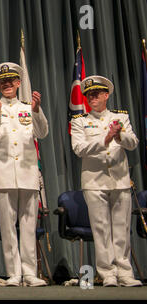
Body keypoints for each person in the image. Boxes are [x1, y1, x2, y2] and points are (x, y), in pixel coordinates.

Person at [71, 75, 142, 287]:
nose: (92, 97)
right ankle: (107, 273)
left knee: (121, 228)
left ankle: (125, 272)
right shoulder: (80, 121)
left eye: (96, 93)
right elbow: (79, 149)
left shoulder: (120, 117)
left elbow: (133, 143)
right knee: (101, 229)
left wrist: (119, 135)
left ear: (106, 95)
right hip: (94, 181)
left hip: (120, 180)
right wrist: (105, 139)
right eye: (88, 94)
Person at [0, 62, 49, 286]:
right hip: (3, 174)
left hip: (28, 173)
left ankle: (30, 273)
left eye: (11, 81)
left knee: (29, 225)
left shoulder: (29, 107)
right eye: (3, 82)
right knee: (8, 227)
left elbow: (42, 133)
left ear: (19, 83)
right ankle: (14, 274)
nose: (7, 84)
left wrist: (37, 111)